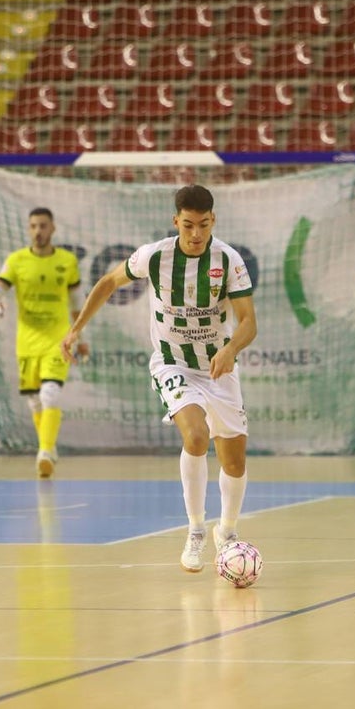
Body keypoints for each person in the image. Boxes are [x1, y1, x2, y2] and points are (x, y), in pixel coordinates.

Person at [60, 185, 257, 573]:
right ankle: (196, 529)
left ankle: (227, 531)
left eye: (203, 225)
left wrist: (231, 349)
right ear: (175, 222)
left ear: (213, 220)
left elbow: (248, 320)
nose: (196, 234)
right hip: (172, 364)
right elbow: (107, 283)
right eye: (188, 225)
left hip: (218, 367)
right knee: (196, 436)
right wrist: (76, 329)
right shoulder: (155, 256)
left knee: (233, 461)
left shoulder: (229, 260)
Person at [0, 207, 88, 478]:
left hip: (58, 338)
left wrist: (80, 336)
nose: (38, 231)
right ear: (28, 229)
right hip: (27, 341)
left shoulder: (67, 261)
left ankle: (44, 451)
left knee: (49, 393)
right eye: (33, 226)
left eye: (43, 226)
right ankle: (49, 448)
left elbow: (77, 303)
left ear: (52, 228)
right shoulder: (16, 260)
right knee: (34, 402)